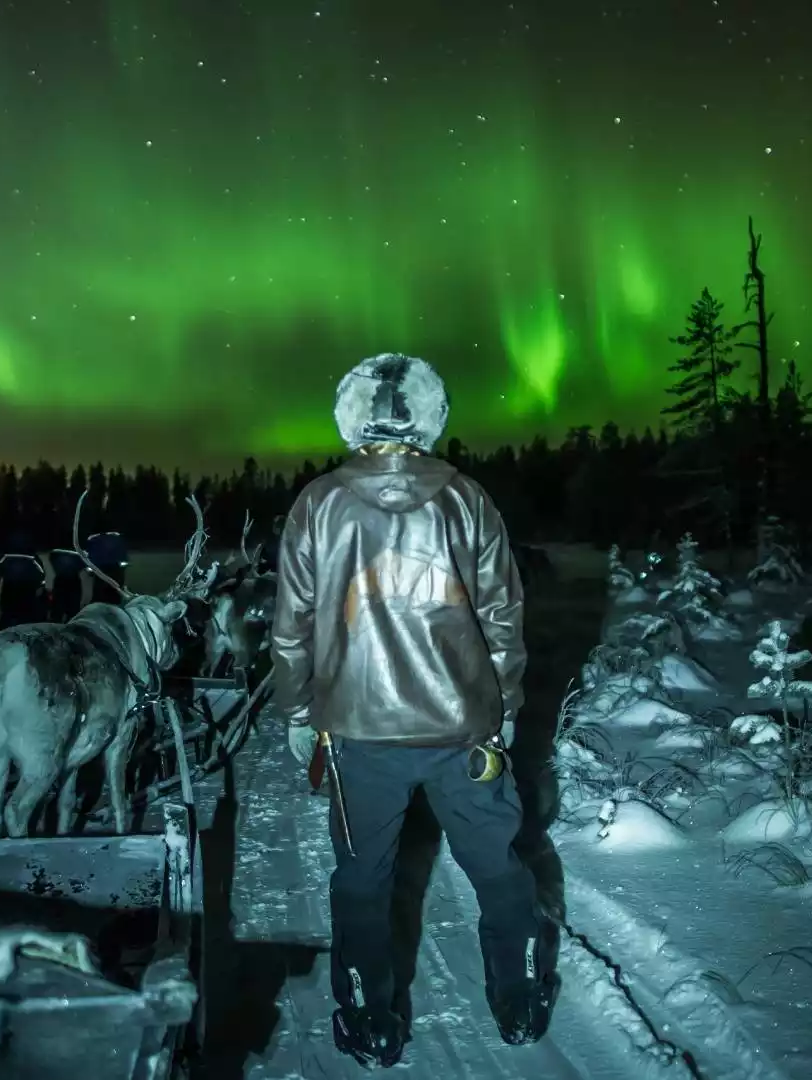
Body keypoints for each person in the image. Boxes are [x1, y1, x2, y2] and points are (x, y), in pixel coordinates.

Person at [269, 352, 554, 1067]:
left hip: (358, 736)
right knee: (497, 866)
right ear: (430, 416)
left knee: (363, 880)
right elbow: (502, 616)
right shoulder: (468, 499)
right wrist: (504, 708)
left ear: (352, 415)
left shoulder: (319, 503)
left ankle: (369, 1019)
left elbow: (291, 627)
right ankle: (519, 999)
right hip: (463, 733)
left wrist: (297, 714)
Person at [0, 530, 48, 630]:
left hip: (9, 589)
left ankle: (4, 638)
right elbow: (41, 573)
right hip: (27, 589)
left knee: (7, 616)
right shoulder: (32, 557)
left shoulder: (5, 556)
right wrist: (41, 586)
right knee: (26, 617)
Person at [84, 530, 128, 606]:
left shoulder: (93, 539)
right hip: (115, 570)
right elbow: (123, 556)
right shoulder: (116, 537)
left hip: (100, 571)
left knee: (99, 597)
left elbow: (90, 556)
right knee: (115, 595)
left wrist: (90, 570)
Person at [46, 548, 87, 622]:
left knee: (57, 608)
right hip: (73, 581)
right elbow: (84, 564)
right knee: (73, 609)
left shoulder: (55, 553)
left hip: (60, 579)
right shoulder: (78, 556)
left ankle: (54, 625)